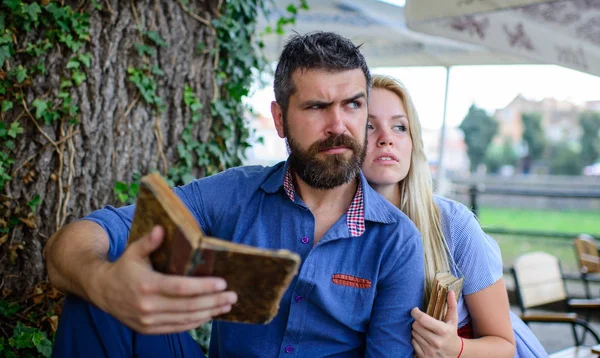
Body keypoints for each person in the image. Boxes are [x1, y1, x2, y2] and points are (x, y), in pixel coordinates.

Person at [44, 33, 425, 357]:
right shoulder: (236, 194)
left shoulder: (396, 240)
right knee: (94, 300)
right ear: (279, 119)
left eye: (353, 105)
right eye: (316, 107)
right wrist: (104, 284)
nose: (338, 125)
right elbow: (84, 237)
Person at [362, 74, 548, 358]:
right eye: (369, 127)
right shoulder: (332, 225)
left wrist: (455, 348)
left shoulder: (454, 224)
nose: (386, 139)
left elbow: (504, 345)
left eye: (400, 127)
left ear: (414, 143)